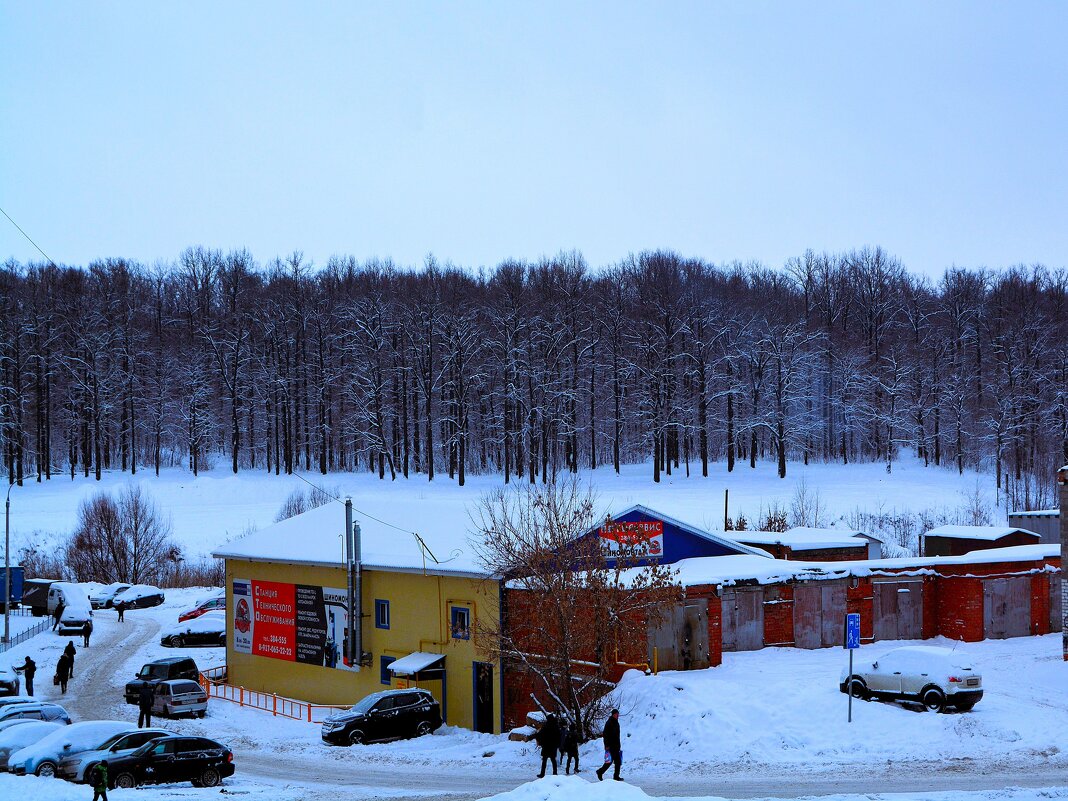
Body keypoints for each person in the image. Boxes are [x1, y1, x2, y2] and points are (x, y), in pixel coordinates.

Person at [596, 708, 622, 782]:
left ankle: (615, 776)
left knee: (617, 761)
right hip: (611, 745)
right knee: (611, 761)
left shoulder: (616, 722)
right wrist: (606, 745)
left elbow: (617, 735)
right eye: (617, 714)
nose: (618, 715)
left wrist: (619, 745)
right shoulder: (609, 723)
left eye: (618, 714)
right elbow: (605, 735)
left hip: (616, 745)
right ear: (614, 714)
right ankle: (601, 772)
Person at [535, 712, 560, 778]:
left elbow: (540, 734)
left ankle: (542, 774)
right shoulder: (556, 726)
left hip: (546, 745)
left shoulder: (545, 726)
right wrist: (558, 744)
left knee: (544, 760)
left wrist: (539, 740)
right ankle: (555, 773)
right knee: (553, 760)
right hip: (553, 746)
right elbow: (559, 736)